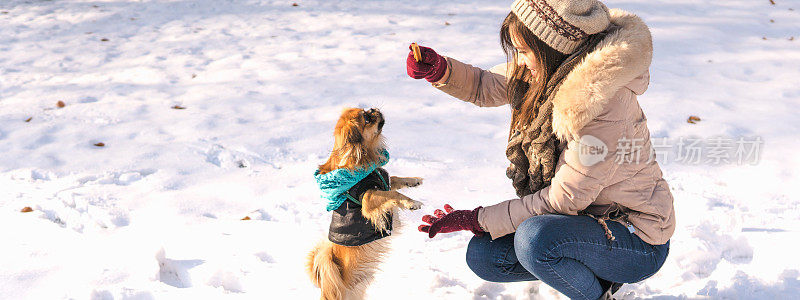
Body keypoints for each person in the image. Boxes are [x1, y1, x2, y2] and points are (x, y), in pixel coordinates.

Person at [406, 0, 676, 299]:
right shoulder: (552, 72)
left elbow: (563, 199)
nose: (518, 62)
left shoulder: (603, 104)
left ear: (552, 47)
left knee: (534, 240)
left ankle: (599, 294)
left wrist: (478, 217)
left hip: (635, 238)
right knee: (484, 254)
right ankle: (597, 280)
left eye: (523, 51)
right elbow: (489, 84)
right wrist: (441, 70)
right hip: (584, 221)